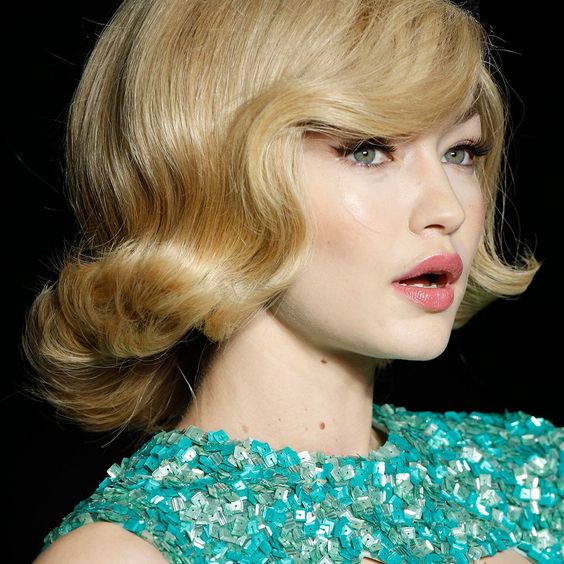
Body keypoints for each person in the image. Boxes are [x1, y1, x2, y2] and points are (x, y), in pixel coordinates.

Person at [23, 0, 561, 562]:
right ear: (213, 175)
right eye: (368, 150)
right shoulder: (123, 554)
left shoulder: (537, 477)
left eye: (460, 152)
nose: (447, 208)